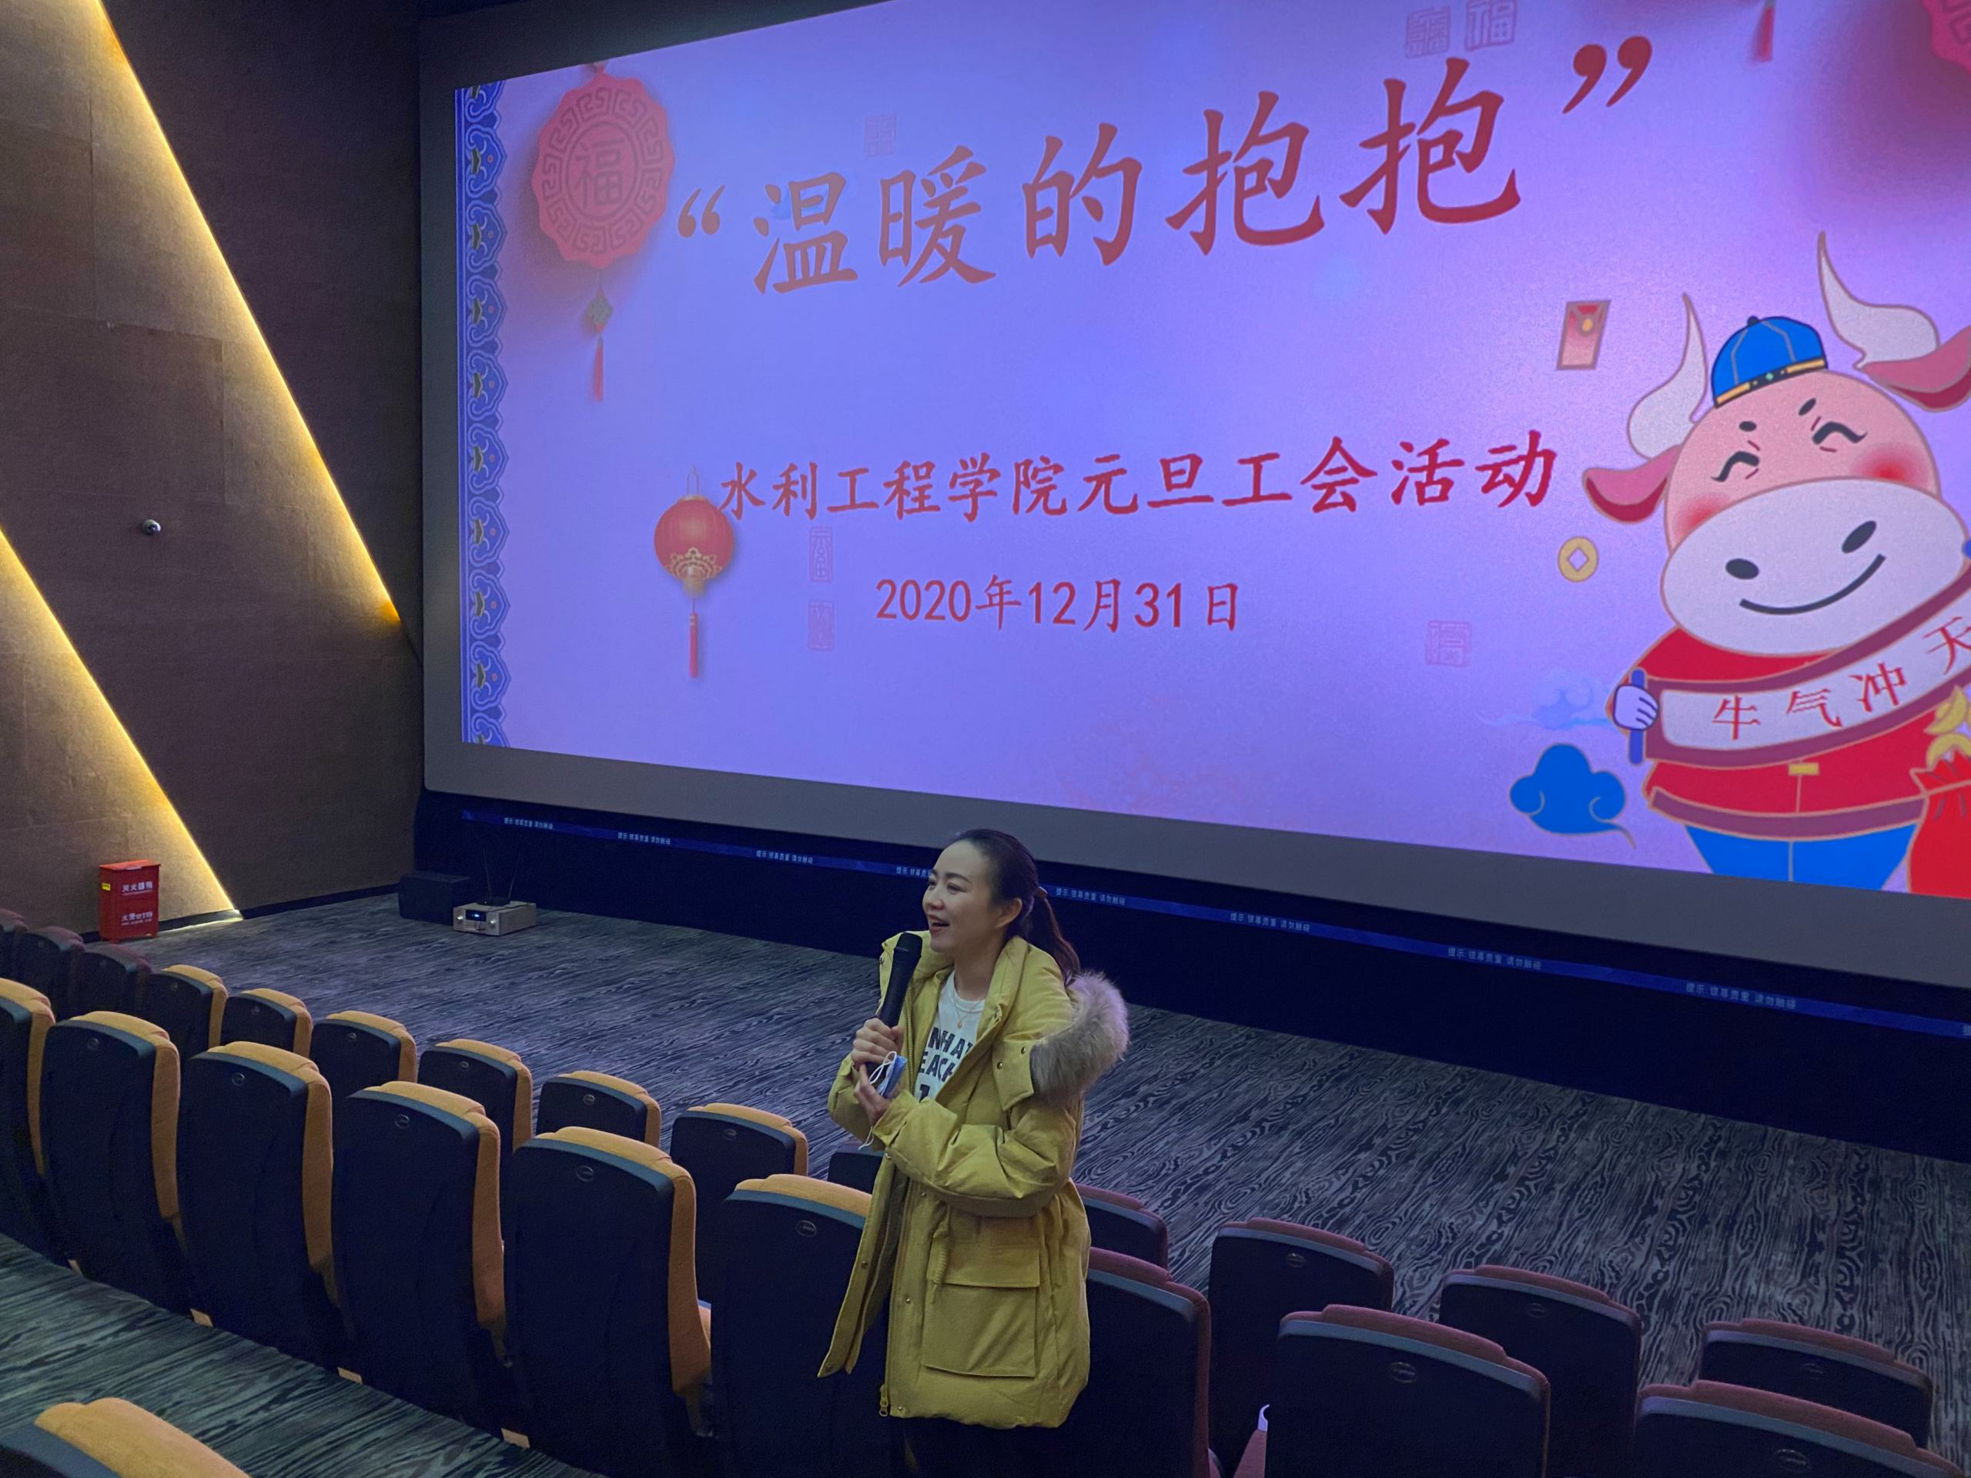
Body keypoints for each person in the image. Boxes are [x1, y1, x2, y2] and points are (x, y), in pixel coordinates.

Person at [818, 828, 1129, 1478]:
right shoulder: (922, 983)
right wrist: (862, 1074)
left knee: (973, 1456)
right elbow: (857, 1116)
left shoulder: (1042, 1022)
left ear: (1007, 910)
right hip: (918, 1254)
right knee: (922, 1447)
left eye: (955, 887)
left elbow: (1030, 1170)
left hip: (995, 1296)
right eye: (932, 881)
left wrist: (900, 1118)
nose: (932, 898)